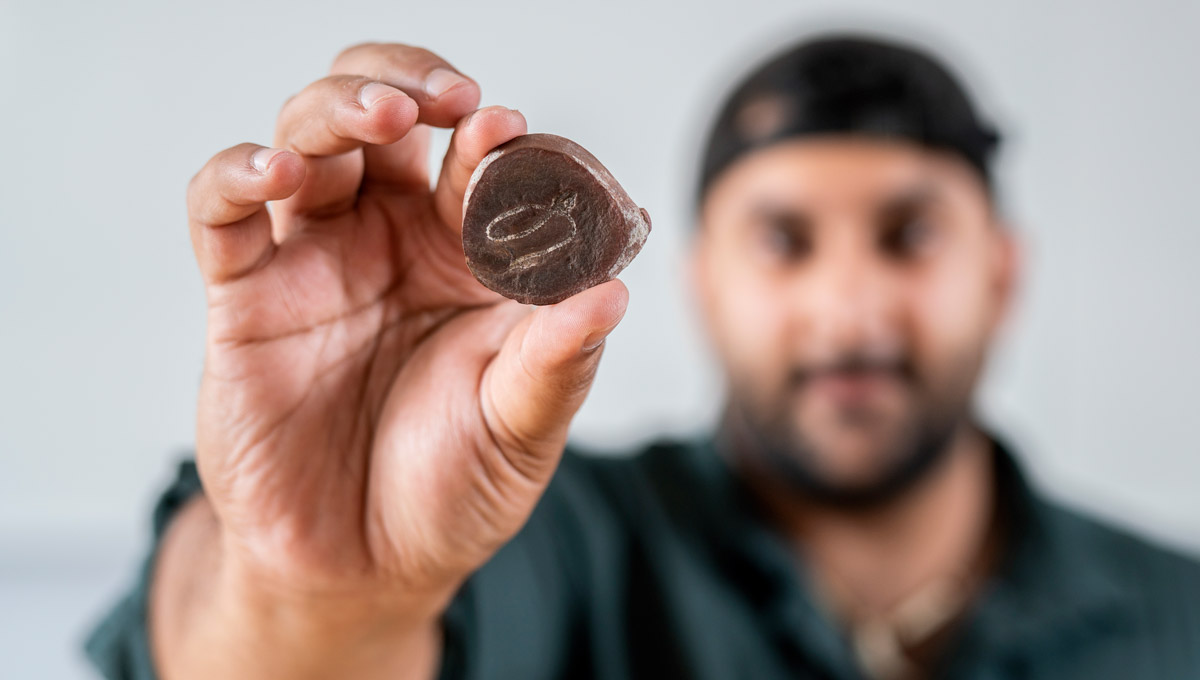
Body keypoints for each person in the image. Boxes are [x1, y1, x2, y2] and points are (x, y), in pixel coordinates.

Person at [86, 33, 1200, 680]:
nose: (849, 304)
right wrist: (307, 591)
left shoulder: (1177, 618)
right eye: (785, 241)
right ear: (703, 277)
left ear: (1000, 273)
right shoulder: (557, 537)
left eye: (909, 236)